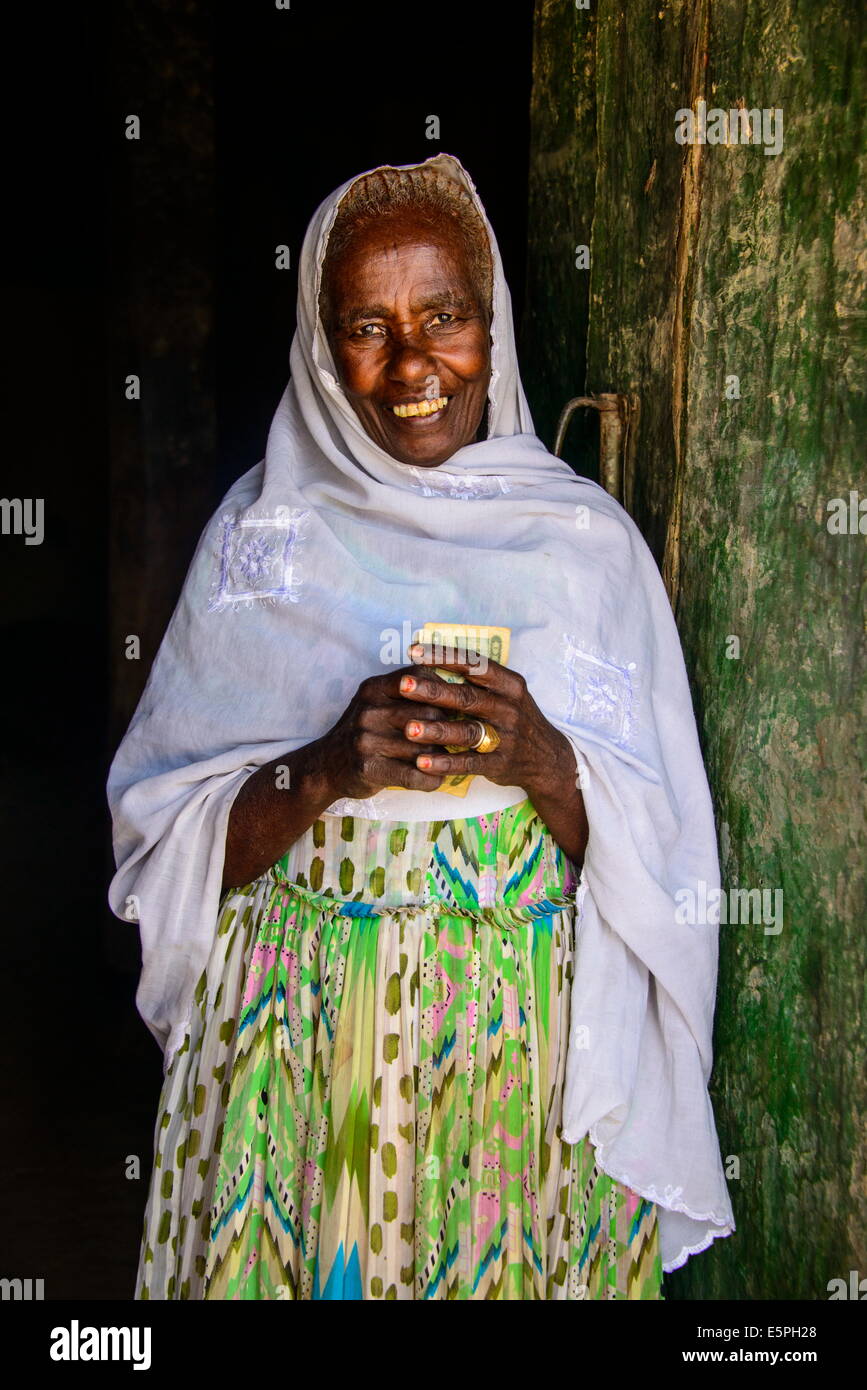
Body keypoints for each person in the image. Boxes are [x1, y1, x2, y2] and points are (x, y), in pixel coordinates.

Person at [108, 153, 735, 1301]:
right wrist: (321, 768)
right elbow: (160, 850)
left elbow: (672, 860)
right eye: (366, 326)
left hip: (522, 1062)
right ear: (317, 343)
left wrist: (550, 764)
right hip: (297, 1056)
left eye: (444, 315)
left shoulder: (584, 549)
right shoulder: (260, 543)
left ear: (490, 329)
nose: (412, 365)